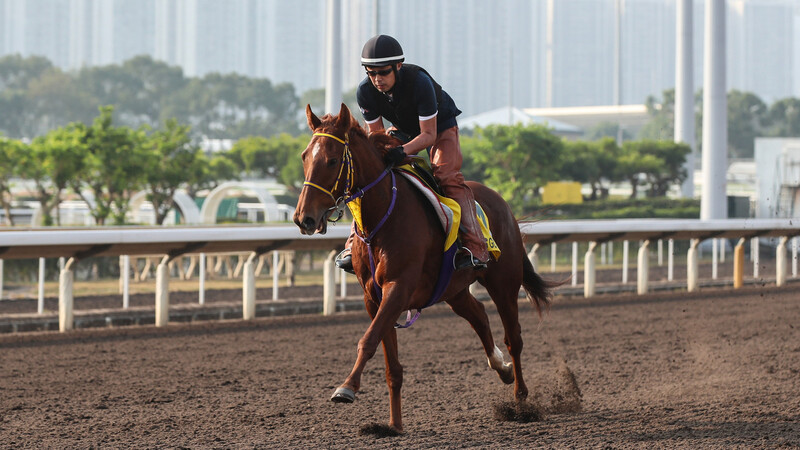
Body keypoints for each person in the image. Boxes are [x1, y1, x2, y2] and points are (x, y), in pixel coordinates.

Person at [336, 34, 489, 272]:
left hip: (440, 128)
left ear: (398, 66)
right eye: (371, 73)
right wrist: (386, 152)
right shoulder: (365, 91)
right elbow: (376, 135)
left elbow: (428, 135)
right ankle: (352, 244)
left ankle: (475, 246)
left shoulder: (419, 83)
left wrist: (402, 151)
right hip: (404, 129)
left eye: (383, 72)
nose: (377, 79)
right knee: (370, 176)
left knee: (446, 176)